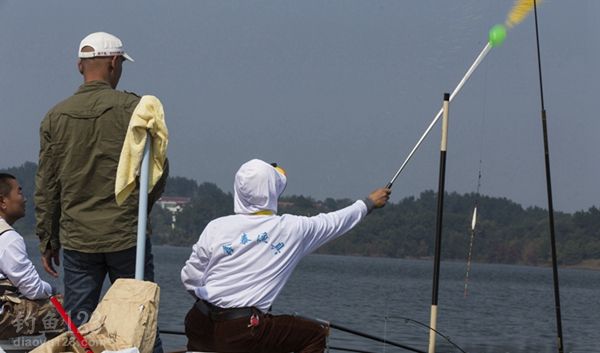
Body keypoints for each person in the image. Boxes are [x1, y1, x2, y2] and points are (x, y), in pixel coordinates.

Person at [34, 32, 167, 351]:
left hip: (79, 239)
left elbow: (47, 184)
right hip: (126, 236)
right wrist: (139, 213)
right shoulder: (136, 110)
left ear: (80, 66)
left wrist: (48, 238)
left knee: (80, 328)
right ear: (113, 62)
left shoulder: (55, 116)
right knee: (142, 323)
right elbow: (157, 173)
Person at [181, 159, 391, 353]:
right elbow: (336, 221)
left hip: (199, 323)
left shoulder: (216, 227)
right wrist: (369, 203)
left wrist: (218, 306)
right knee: (315, 334)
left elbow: (190, 278)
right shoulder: (292, 229)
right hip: (243, 331)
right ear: (272, 191)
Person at [0, 173, 64, 339]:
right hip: (2, 318)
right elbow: (33, 289)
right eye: (19, 192)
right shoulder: (8, 237)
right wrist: (53, 290)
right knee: (67, 308)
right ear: (2, 201)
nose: (24, 199)